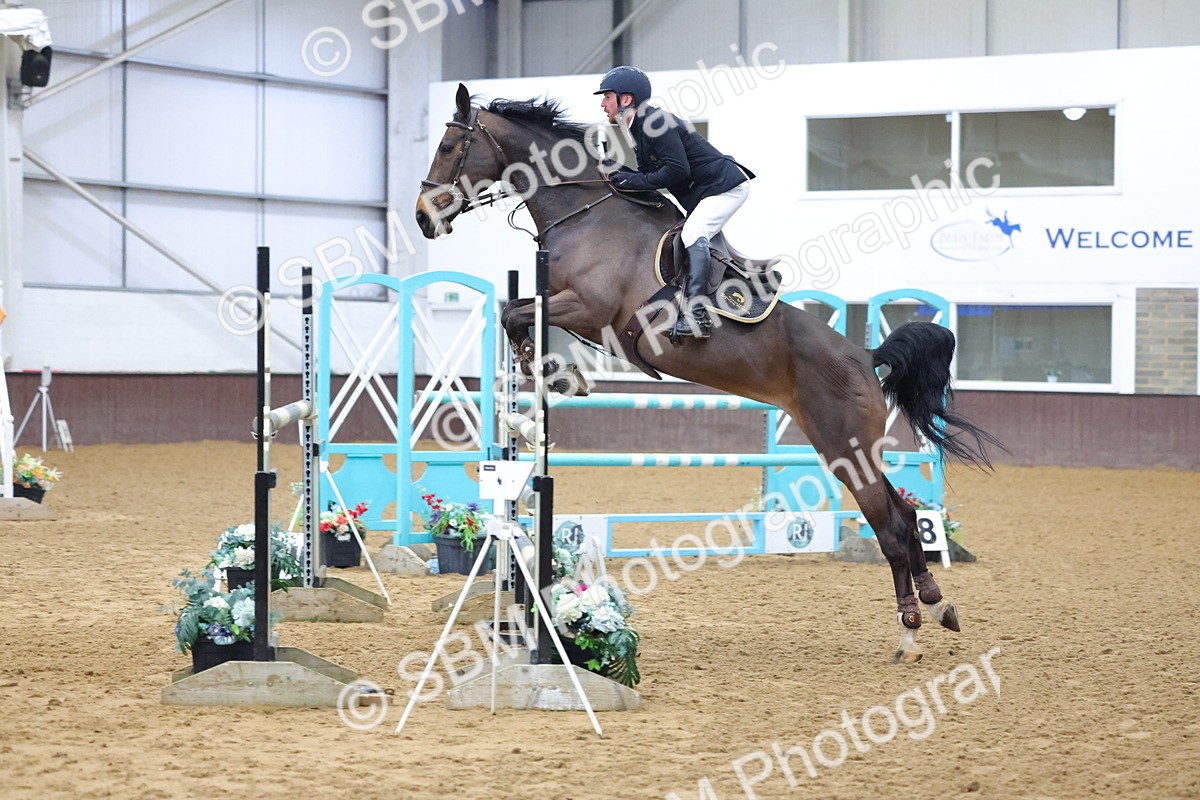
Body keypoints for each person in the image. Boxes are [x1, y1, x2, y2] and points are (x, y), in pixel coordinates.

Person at [595, 65, 753, 339]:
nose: (602, 104)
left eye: (607, 96)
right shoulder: (638, 126)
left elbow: (677, 171)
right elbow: (651, 174)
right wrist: (619, 171)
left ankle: (697, 316)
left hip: (725, 187)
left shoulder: (654, 122)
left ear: (626, 99)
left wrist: (632, 181)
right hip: (708, 190)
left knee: (693, 233)